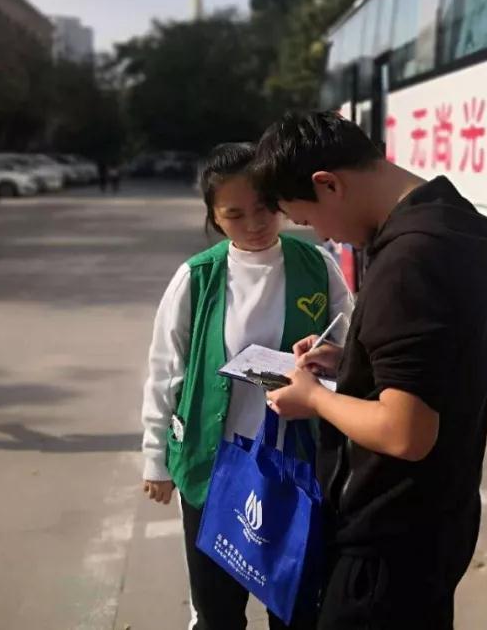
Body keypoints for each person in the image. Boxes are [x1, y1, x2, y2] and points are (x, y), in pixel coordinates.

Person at [255, 112, 487, 629]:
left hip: (387, 539)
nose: (323, 235)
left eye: (309, 220)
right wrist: (353, 362)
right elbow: (431, 366)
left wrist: (315, 398)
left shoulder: (407, 262)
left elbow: (405, 432)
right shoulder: (442, 218)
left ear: (328, 184)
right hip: (435, 519)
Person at [140, 142, 352, 630]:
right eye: (234, 215)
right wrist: (156, 459)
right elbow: (165, 371)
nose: (254, 225)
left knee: (295, 609)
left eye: (263, 209)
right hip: (213, 468)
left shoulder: (315, 266)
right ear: (214, 218)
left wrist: (327, 363)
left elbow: (348, 341)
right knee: (217, 613)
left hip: (295, 467)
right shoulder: (198, 278)